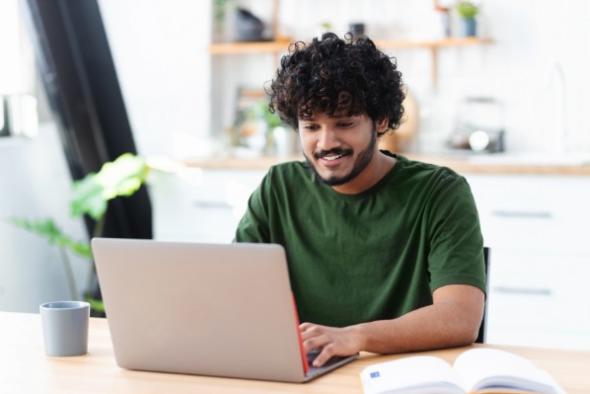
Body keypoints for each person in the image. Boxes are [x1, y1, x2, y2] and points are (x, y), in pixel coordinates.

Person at [235, 33, 485, 368]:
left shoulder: (440, 192)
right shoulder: (278, 188)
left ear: (380, 120)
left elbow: (459, 318)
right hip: (307, 376)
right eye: (311, 127)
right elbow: (234, 296)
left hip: (402, 377)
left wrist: (354, 337)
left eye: (344, 124)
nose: (326, 142)